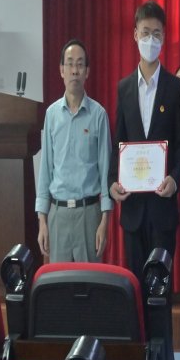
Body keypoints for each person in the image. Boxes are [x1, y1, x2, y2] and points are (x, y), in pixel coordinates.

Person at [108, 0, 180, 285]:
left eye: (156, 34)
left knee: (160, 292)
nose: (150, 40)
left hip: (162, 208)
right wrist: (112, 182)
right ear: (135, 35)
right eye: (145, 33)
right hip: (132, 210)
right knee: (135, 291)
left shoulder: (175, 87)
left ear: (163, 38)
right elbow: (118, 143)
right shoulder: (124, 88)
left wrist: (175, 179)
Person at [36, 39, 113, 264]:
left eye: (80, 64)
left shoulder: (98, 115)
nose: (75, 70)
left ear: (87, 72)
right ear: (61, 70)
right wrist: (42, 221)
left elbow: (106, 171)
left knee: (89, 282)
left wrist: (104, 222)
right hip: (58, 214)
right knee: (59, 282)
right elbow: (45, 171)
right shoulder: (51, 115)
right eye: (69, 64)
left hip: (89, 215)